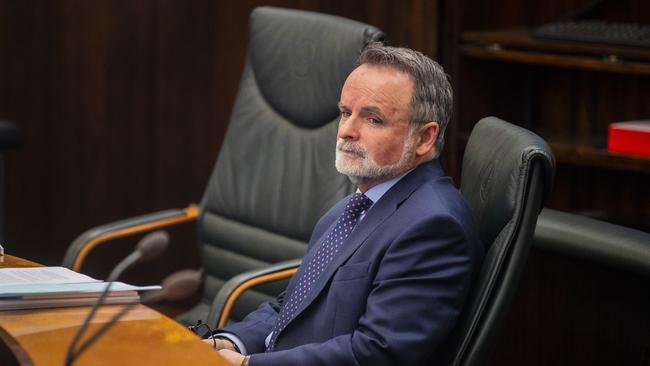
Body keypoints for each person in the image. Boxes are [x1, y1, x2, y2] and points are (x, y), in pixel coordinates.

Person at [207, 43, 483, 366]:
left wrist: (246, 364)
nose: (347, 131)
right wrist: (227, 343)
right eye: (345, 113)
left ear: (424, 138)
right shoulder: (353, 208)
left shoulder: (434, 226)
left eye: (373, 119)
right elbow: (291, 308)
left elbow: (376, 354)